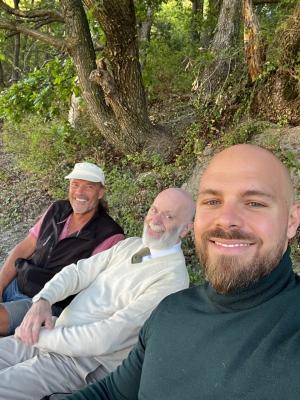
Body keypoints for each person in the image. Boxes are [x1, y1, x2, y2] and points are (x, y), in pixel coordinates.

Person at [67, 144, 300, 400]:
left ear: (291, 221)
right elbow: (112, 393)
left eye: (254, 203)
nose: (226, 219)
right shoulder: (171, 311)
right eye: (212, 201)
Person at [0, 187, 195, 400]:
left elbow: (107, 337)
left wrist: (41, 337)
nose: (155, 219)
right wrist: (44, 300)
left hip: (82, 364)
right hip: (56, 331)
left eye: (168, 216)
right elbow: (78, 272)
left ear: (186, 229)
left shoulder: (171, 280)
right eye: (154, 209)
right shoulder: (131, 246)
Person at [0, 162, 124, 336]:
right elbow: (24, 248)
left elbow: (92, 288)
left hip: (45, 304)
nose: (79, 192)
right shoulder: (57, 209)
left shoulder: (109, 235)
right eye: (75, 185)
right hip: (19, 282)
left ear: (101, 192)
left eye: (89, 187)